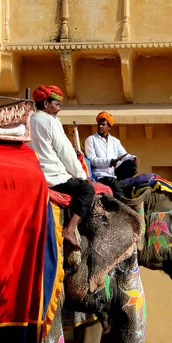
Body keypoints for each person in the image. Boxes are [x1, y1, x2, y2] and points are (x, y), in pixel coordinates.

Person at [29, 84, 94, 249]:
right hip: (53, 176)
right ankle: (70, 229)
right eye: (56, 104)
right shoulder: (51, 122)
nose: (58, 109)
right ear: (45, 104)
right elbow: (65, 152)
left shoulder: (27, 120)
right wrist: (81, 175)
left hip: (34, 174)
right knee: (87, 191)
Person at [84, 111, 136, 198]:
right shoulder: (91, 140)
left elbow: (123, 155)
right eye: (99, 124)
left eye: (103, 125)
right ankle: (124, 202)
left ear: (109, 127)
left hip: (114, 173)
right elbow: (92, 160)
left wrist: (133, 158)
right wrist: (110, 162)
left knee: (131, 165)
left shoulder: (115, 141)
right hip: (100, 175)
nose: (100, 126)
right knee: (114, 184)